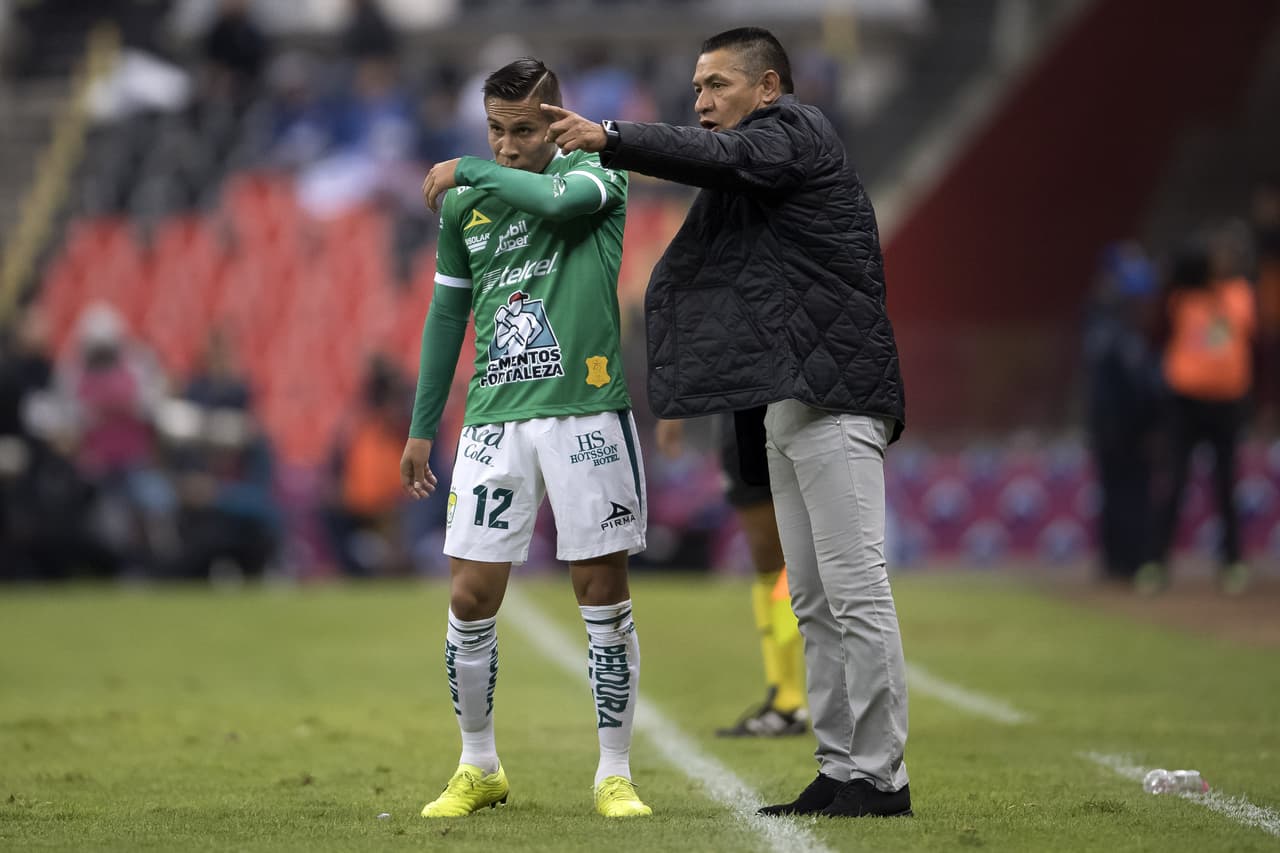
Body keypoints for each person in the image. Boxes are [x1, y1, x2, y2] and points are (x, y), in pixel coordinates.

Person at [545, 27, 911, 818]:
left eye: (717, 85)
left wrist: (611, 137)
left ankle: (883, 777)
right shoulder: (754, 172)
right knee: (810, 599)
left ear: (769, 87)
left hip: (835, 392)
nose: (702, 101)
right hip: (787, 400)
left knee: (854, 591)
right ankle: (839, 767)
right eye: (696, 89)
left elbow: (720, 157)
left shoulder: (797, 132)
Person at [401, 58, 651, 819]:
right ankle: (478, 765)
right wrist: (421, 428)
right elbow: (448, 315)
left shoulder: (595, 172)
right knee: (469, 594)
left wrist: (470, 167)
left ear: (555, 123)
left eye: (522, 131)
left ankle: (614, 773)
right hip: (494, 419)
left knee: (600, 590)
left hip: (585, 410)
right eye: (494, 131)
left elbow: (553, 202)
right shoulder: (464, 208)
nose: (507, 146)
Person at [656, 417, 807, 737]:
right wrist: (673, 412)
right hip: (740, 408)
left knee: (810, 552)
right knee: (769, 556)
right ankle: (786, 698)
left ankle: (831, 695)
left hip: (800, 406)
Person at [1138, 236, 1257, 596]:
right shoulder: (1181, 298)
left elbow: (1246, 330)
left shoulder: (1239, 295)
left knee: (1226, 484)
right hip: (1185, 402)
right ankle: (1155, 562)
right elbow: (1163, 297)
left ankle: (1232, 562)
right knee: (1174, 481)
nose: (1221, 263)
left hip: (1227, 403)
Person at [1082, 243, 1161, 584]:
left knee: (1127, 494)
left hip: (1121, 427)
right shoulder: (1109, 327)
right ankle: (1123, 561)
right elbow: (1132, 385)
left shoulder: (1118, 329)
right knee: (1124, 495)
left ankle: (1124, 561)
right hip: (1118, 428)